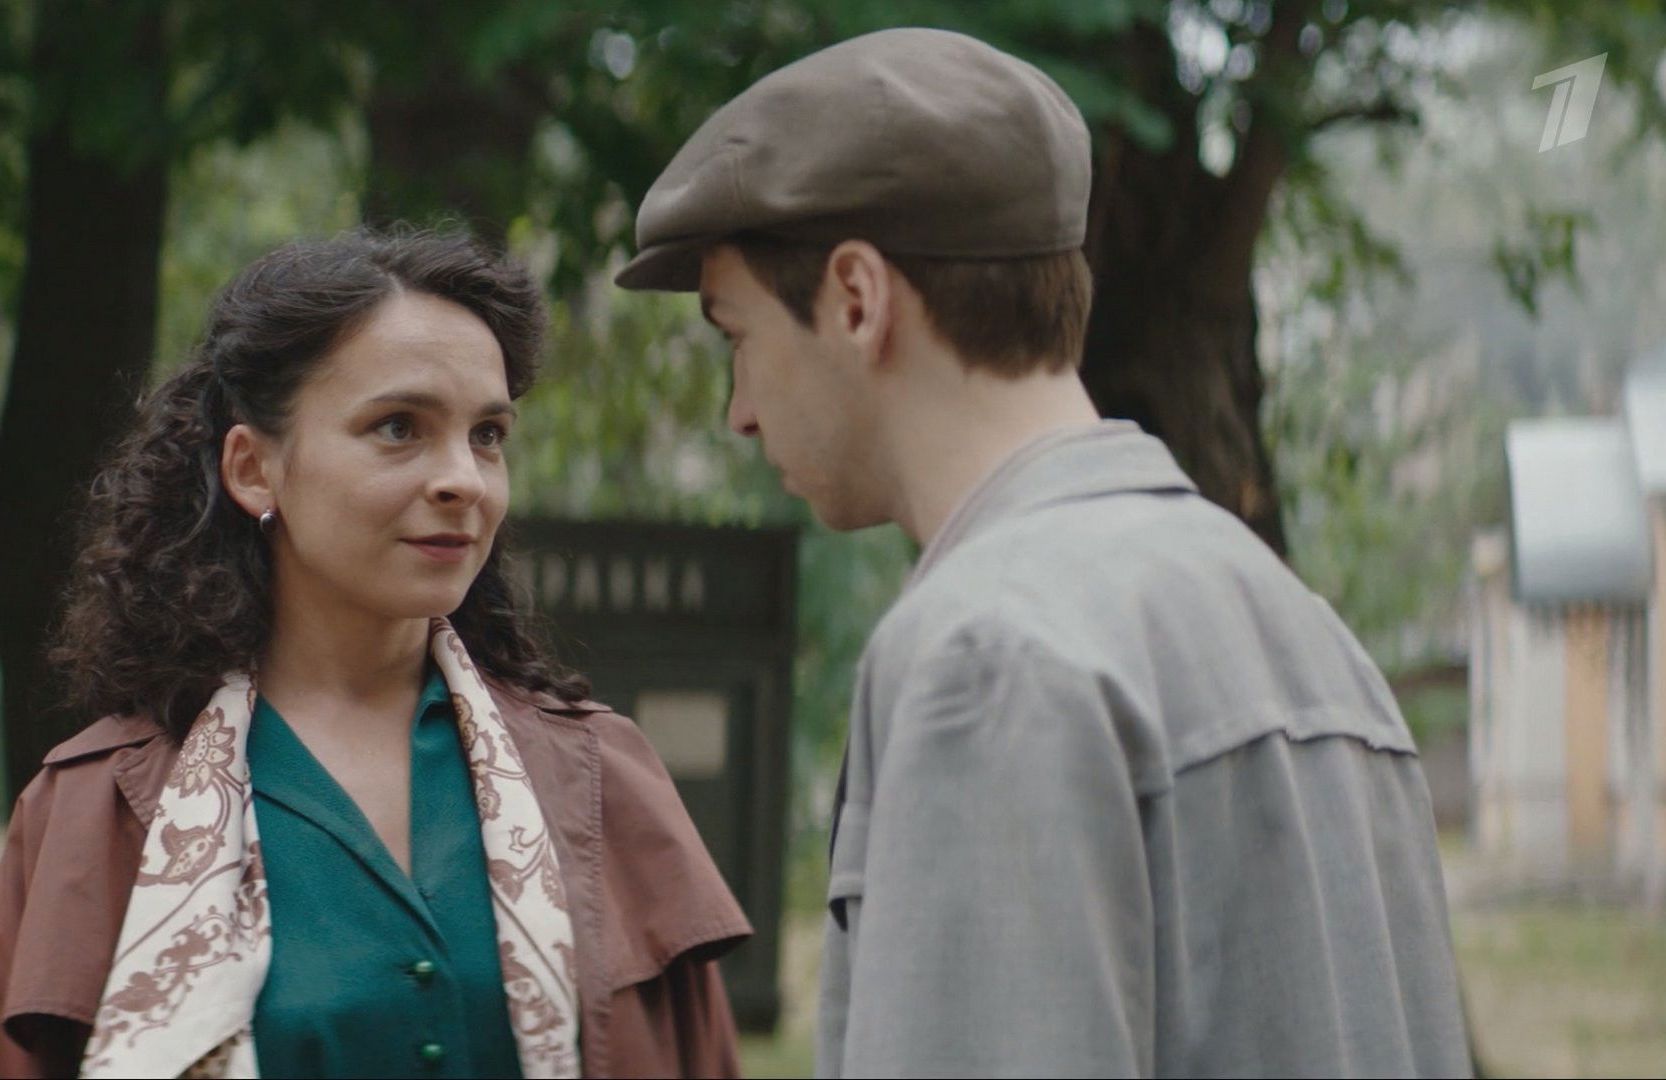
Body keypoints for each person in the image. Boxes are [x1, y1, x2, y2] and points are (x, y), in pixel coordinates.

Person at [615, 27, 1471, 1079]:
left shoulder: (988, 657)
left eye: (737, 337)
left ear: (856, 300)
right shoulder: (1311, 635)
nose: (738, 411)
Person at [0, 226, 751, 1079]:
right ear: (253, 469)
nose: (463, 479)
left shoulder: (600, 782)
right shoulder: (96, 813)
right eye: (399, 427)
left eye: (488, 434)